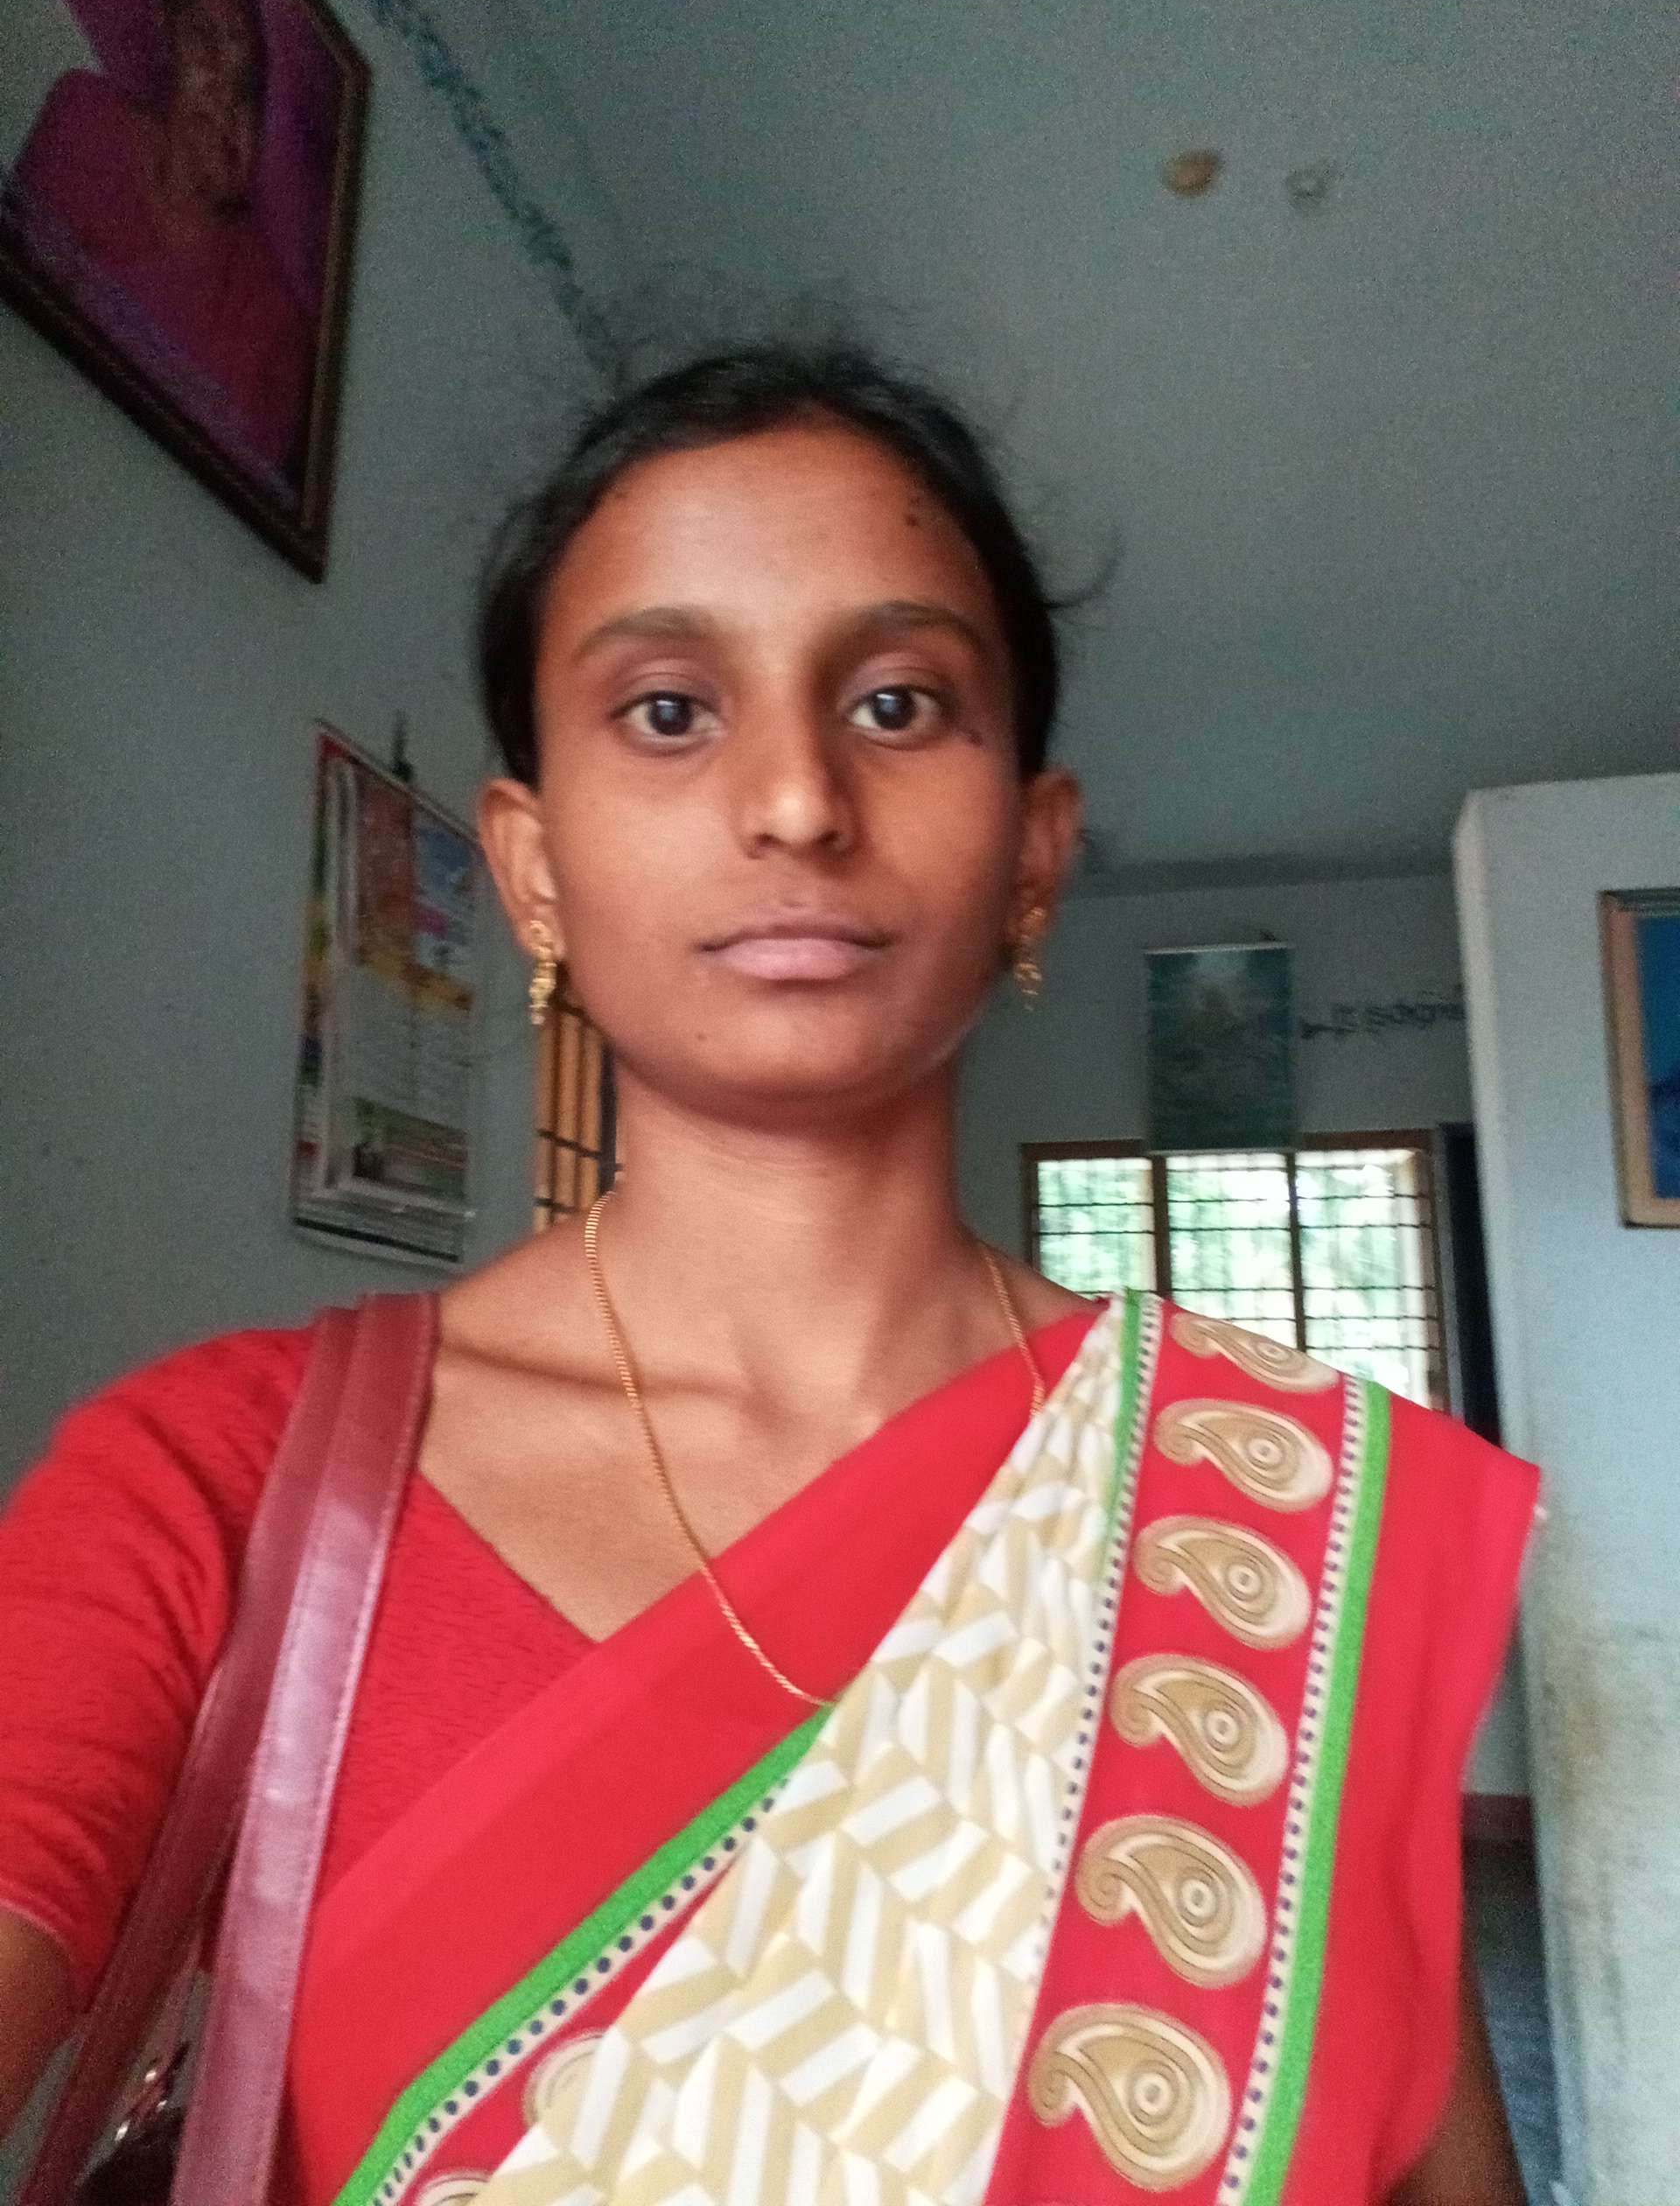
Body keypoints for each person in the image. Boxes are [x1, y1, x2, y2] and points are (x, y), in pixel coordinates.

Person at [0, 345, 1535, 2204]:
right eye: (667, 711)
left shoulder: (1279, 1519)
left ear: (1036, 855)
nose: (798, 797)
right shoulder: (218, 1482)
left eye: (898, 702)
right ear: (532, 867)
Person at [7, 0, 312, 482]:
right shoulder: (84, 119)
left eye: (249, 87)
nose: (224, 95)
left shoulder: (274, 321)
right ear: (165, 28)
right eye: (206, 41)